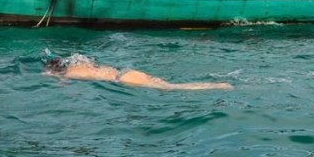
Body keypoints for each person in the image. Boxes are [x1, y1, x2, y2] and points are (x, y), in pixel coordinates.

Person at [44, 54, 232, 91]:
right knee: (169, 85)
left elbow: (60, 82)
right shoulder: (79, 62)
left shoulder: (68, 73)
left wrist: (50, 75)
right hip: (124, 72)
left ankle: (218, 85)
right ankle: (216, 84)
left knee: (173, 88)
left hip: (123, 79)